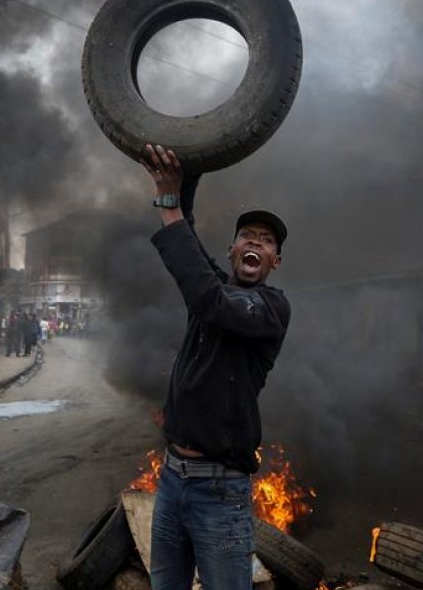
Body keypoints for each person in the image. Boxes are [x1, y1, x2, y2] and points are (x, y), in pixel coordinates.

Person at [142, 144, 291, 590]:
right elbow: (190, 256)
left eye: (266, 241)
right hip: (171, 482)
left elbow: (209, 299)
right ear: (231, 252)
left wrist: (168, 203)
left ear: (274, 262)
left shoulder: (270, 308)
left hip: (220, 493)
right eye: (248, 236)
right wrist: (189, 172)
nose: (256, 243)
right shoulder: (214, 289)